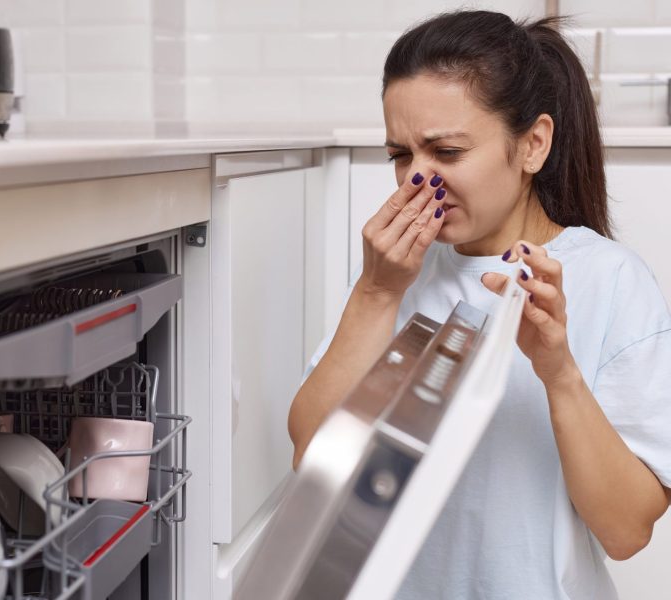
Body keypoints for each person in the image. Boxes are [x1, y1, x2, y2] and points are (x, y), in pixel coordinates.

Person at [287, 10, 671, 599]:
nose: (418, 180)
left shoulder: (611, 281)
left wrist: (559, 373)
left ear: (532, 145)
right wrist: (377, 293)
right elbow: (314, 464)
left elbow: (626, 531)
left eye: (445, 151)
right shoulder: (393, 276)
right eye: (400, 154)